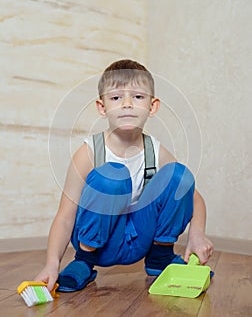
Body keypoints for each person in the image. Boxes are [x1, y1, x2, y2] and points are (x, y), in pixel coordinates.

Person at [35, 59, 214, 292]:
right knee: (113, 176)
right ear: (102, 107)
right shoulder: (89, 152)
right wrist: (51, 264)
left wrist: (197, 234)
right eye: (116, 97)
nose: (127, 104)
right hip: (100, 244)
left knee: (179, 175)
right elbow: (65, 217)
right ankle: (83, 262)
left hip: (141, 239)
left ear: (153, 106)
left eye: (138, 97)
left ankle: (160, 258)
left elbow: (193, 197)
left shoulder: (155, 151)